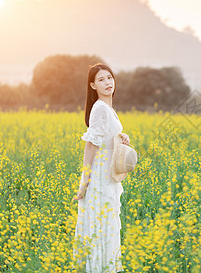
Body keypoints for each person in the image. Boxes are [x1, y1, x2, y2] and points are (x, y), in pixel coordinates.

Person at [73, 63, 130, 272]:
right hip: (98, 178)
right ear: (93, 85)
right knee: (100, 227)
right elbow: (91, 146)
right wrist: (85, 182)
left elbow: (105, 140)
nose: (107, 82)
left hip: (109, 177)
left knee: (107, 226)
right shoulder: (100, 109)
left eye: (109, 78)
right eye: (101, 80)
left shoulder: (107, 109)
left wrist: (120, 138)